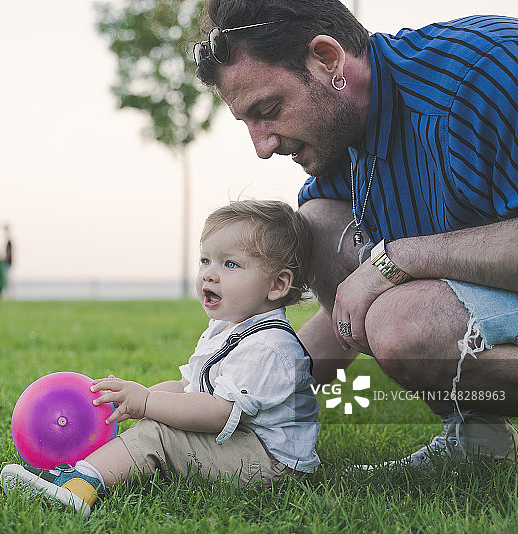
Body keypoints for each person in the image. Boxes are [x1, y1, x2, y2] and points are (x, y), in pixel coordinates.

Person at [193, 0, 518, 468]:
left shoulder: (485, 78)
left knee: (404, 323)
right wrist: (228, 391)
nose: (262, 146)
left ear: (327, 60)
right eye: (248, 121)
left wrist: (397, 259)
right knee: (316, 225)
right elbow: (347, 307)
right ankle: (479, 441)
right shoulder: (345, 131)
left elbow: (386, 283)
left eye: (269, 109)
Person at [1, 199, 320, 517]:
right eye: (205, 260)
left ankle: (78, 488)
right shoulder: (226, 329)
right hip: (246, 445)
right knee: (157, 419)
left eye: (230, 264)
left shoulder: (268, 346)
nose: (209, 274)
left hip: (271, 464)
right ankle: (78, 472)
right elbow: (188, 387)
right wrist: (136, 396)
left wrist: (148, 404)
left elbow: (217, 413)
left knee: (161, 433)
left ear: (278, 284)